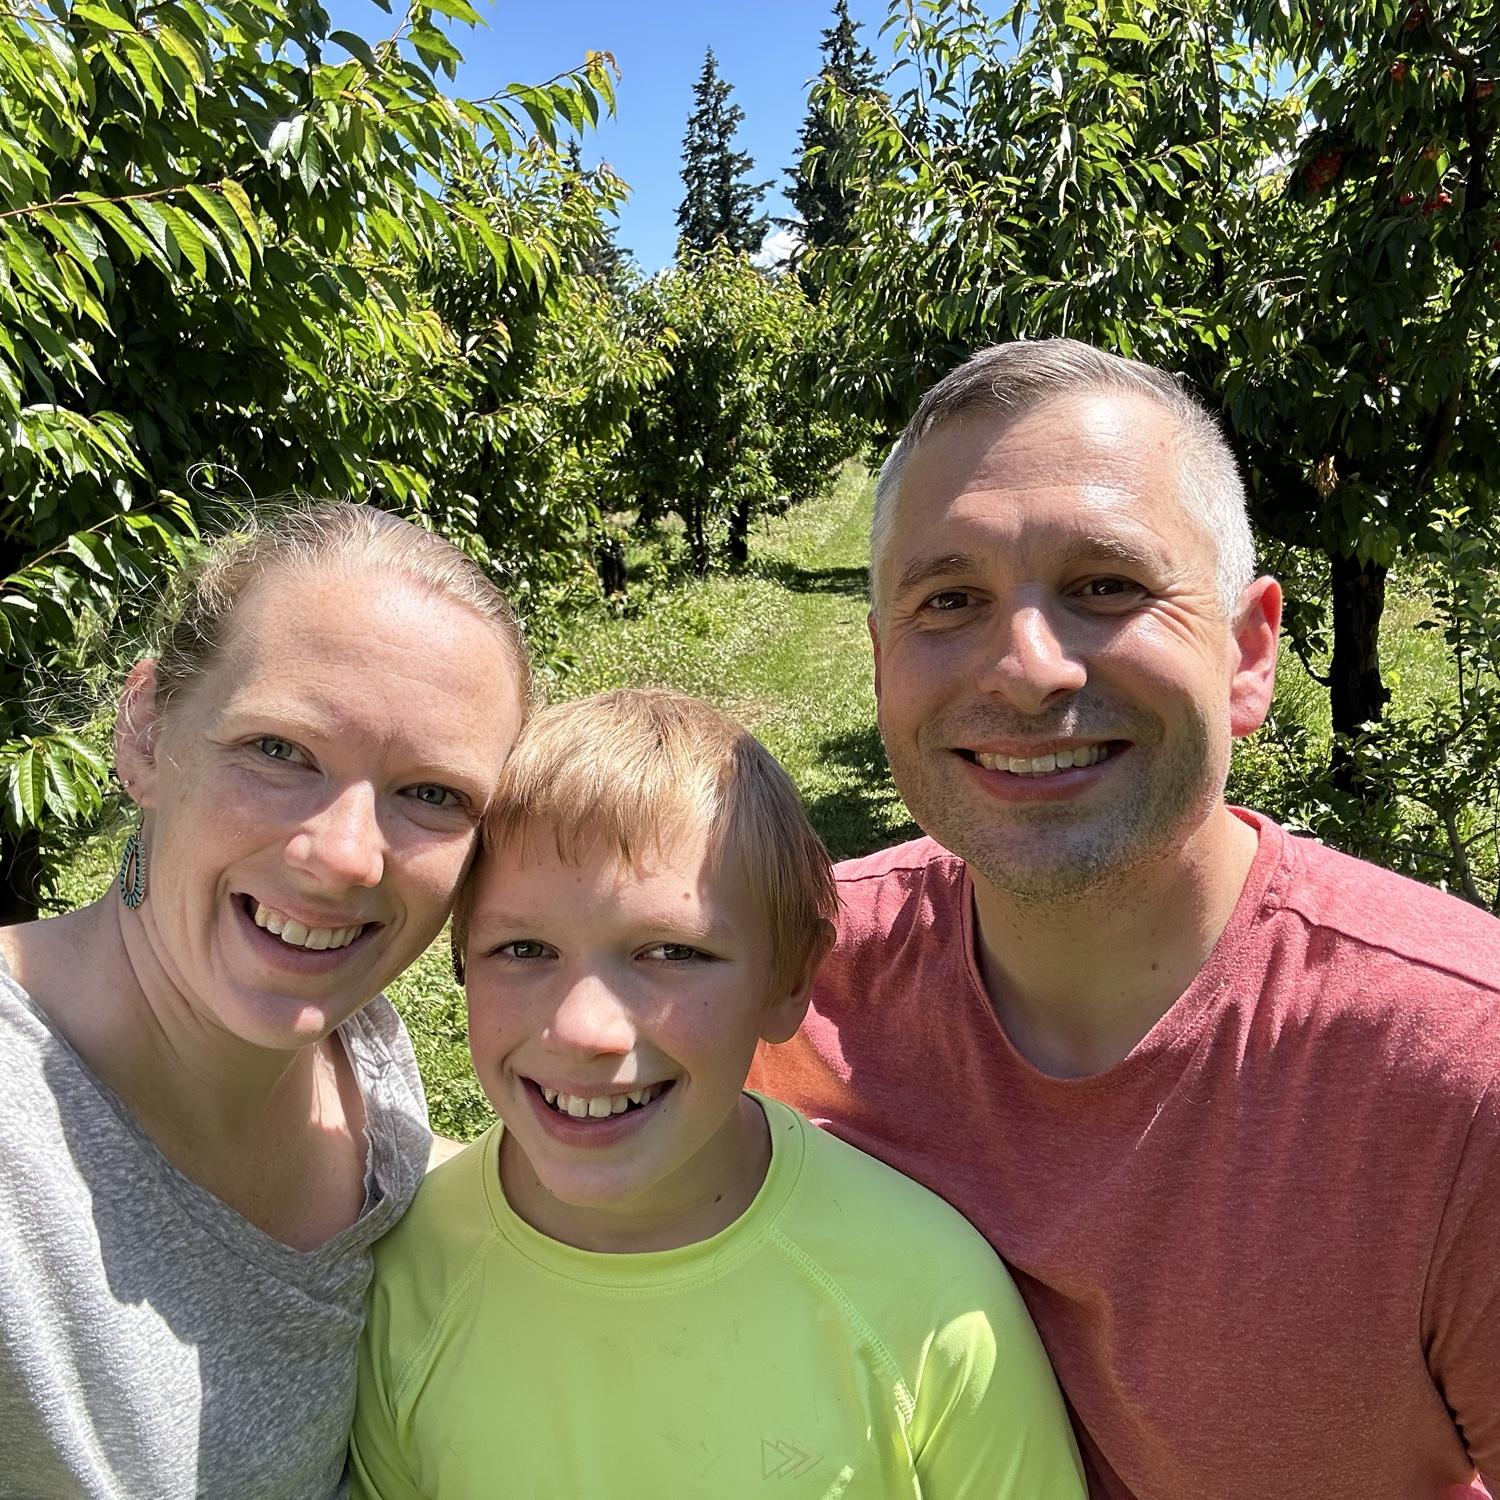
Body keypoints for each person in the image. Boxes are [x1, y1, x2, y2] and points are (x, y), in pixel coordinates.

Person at [750, 338, 1500, 1500]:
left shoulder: (1457, 1068)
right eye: (950, 600)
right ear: (885, 660)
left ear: (1249, 652)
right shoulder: (777, 989)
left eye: (1106, 585)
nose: (1028, 669)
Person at [349, 688, 1087, 1500]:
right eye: (523, 949)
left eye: (671, 952)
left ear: (790, 981)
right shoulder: (401, 1275)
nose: (584, 1029)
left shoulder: (930, 1299)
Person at [0, 502, 529, 1498]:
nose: (346, 857)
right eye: (279, 750)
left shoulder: (364, 1071)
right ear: (147, 732)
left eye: (433, 794)